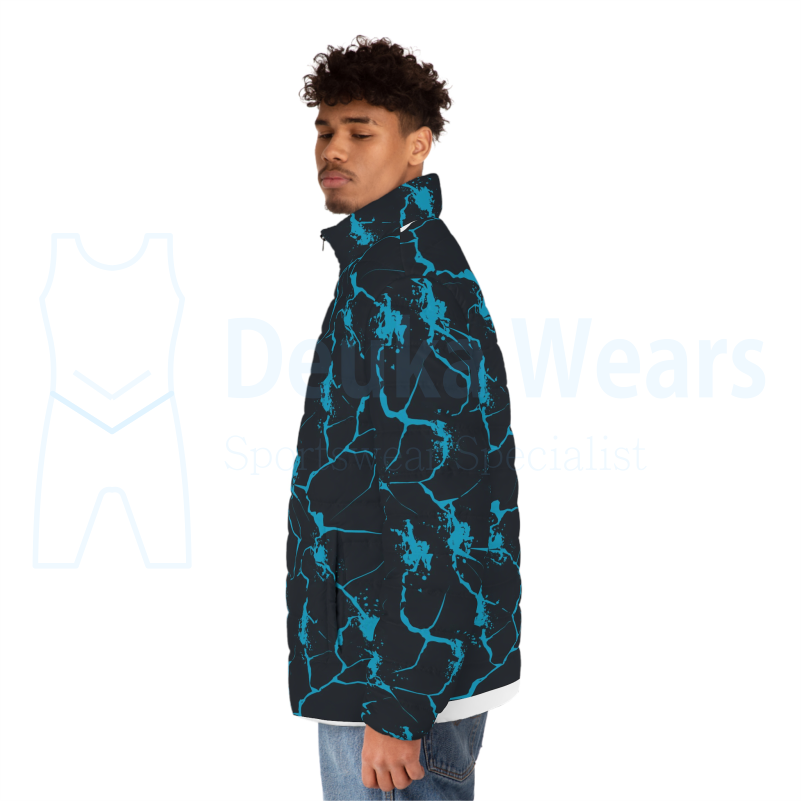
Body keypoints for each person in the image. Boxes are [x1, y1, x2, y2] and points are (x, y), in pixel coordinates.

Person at [286, 35, 523, 800]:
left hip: (396, 689)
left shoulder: (406, 281)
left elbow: (444, 499)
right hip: (378, 666)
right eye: (325, 130)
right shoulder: (379, 266)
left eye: (360, 132)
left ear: (416, 147)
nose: (333, 149)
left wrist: (399, 701)